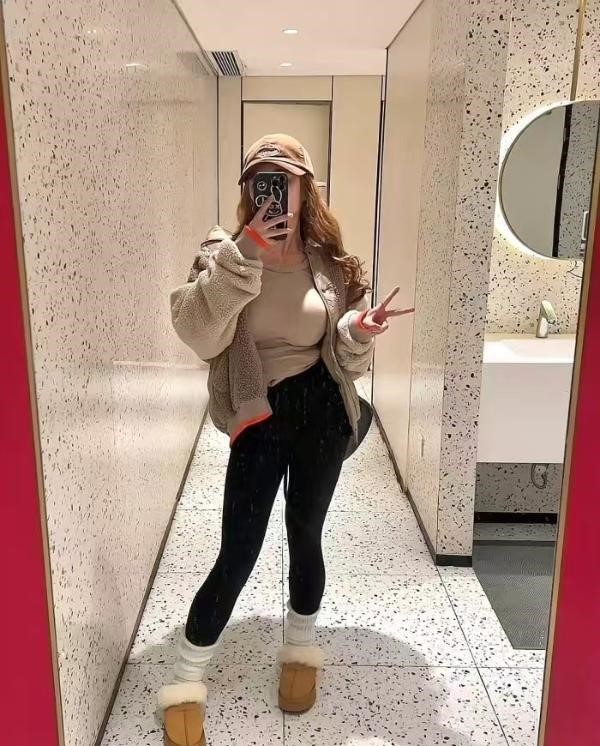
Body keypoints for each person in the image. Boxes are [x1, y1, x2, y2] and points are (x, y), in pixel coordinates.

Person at [158, 134, 411, 746]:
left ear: (305, 188)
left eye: (285, 178)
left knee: (306, 533)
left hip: (322, 410)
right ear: (248, 189)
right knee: (239, 548)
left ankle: (300, 650)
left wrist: (359, 329)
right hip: (258, 414)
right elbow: (198, 333)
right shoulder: (222, 254)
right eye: (261, 179)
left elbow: (343, 358)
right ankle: (187, 676)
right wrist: (244, 254)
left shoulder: (330, 262)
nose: (273, 190)